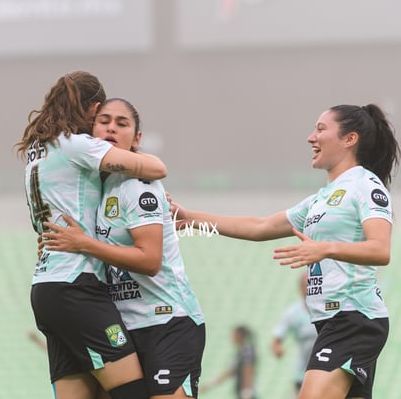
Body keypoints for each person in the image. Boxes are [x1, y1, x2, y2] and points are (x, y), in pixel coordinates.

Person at [168, 104, 400, 399]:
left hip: (354, 318)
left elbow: (380, 249)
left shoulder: (366, 186)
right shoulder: (320, 199)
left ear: (349, 139)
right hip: (332, 322)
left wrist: (324, 248)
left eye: (320, 129)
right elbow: (260, 226)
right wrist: (190, 219)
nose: (310, 137)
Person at [15, 72, 167, 399]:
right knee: (133, 393)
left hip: (46, 287)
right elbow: (156, 169)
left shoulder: (36, 150)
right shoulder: (77, 144)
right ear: (94, 108)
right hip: (77, 286)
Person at [41, 97, 206, 399]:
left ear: (137, 138)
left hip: (166, 321)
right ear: (90, 133)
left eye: (122, 123)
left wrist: (84, 244)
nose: (112, 128)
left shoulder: (139, 184)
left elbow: (150, 260)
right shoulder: (96, 189)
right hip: (126, 323)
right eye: (104, 121)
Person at [271, 271, 317, 397]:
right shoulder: (292, 313)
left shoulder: (329, 309)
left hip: (328, 370)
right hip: (303, 374)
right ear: (300, 288)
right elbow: (276, 340)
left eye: (311, 285)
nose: (308, 289)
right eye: (305, 285)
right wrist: (277, 348)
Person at [201, 325, 258, 399]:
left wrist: (247, 391)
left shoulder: (247, 351)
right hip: (242, 393)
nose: (232, 337)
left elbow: (248, 370)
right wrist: (210, 385)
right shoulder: (240, 352)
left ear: (239, 336)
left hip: (246, 393)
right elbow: (229, 372)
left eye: (234, 335)